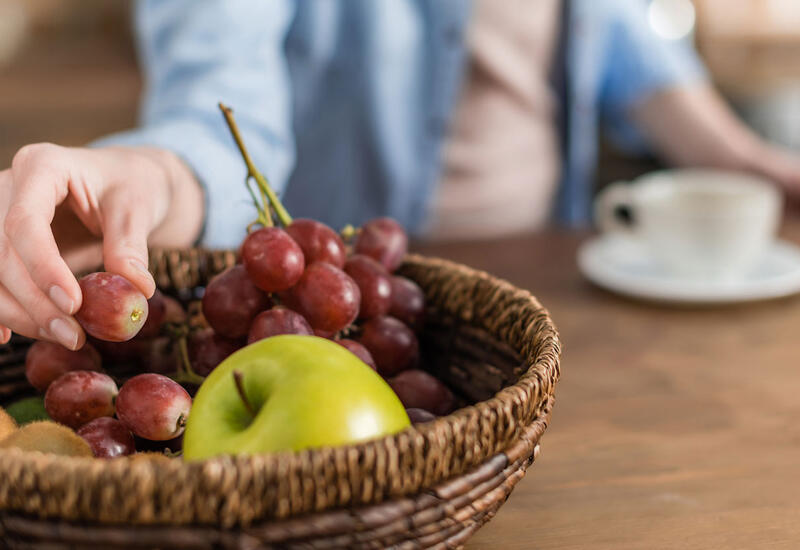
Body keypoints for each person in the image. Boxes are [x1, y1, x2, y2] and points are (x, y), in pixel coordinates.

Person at [1, 0, 799, 350]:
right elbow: (215, 100)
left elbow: (626, 41)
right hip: (342, 326)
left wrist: (749, 163)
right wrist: (150, 173)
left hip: (557, 300)